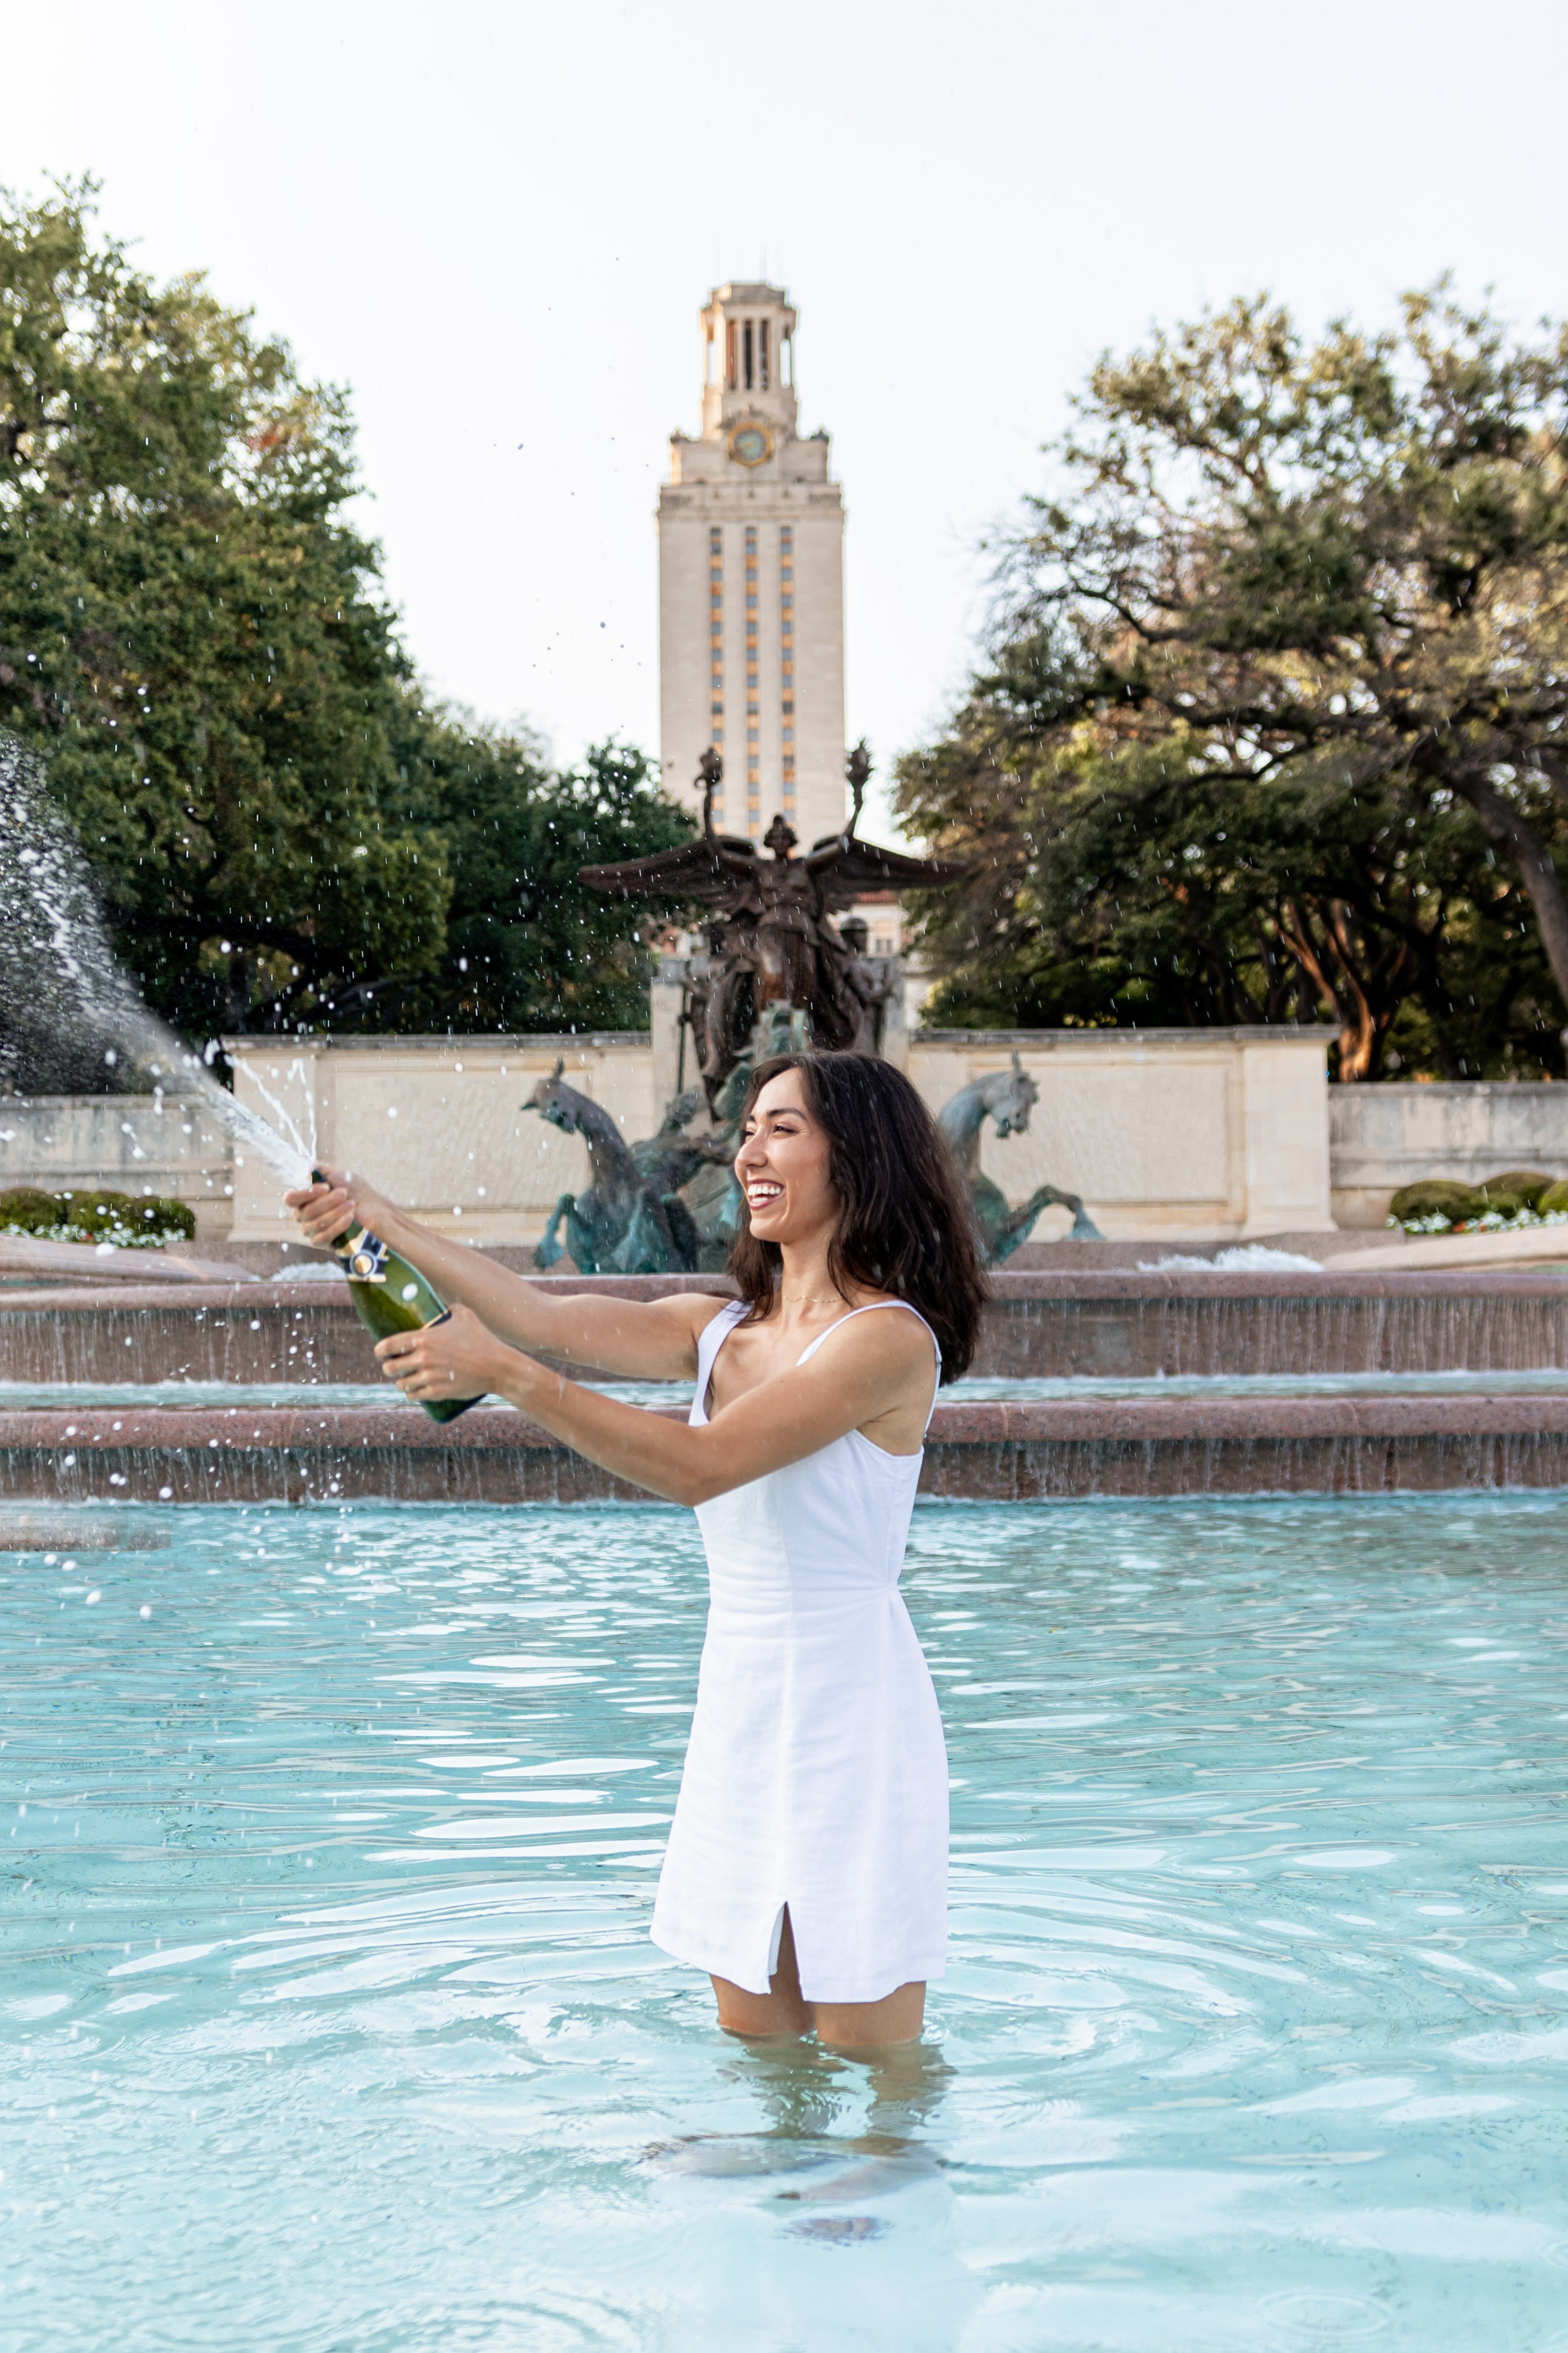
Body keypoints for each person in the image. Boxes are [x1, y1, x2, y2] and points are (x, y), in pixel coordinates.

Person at [286, 1051, 987, 2050]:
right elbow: (540, 1314)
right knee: (757, 2041)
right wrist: (376, 1218)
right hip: (741, 1698)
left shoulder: (888, 1342)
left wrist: (507, 1375)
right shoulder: (716, 1328)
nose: (749, 1147)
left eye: (782, 1128)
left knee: (868, 2053)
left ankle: (890, 2203)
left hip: (853, 1709)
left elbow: (702, 1465)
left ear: (859, 1159)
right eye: (747, 1127)